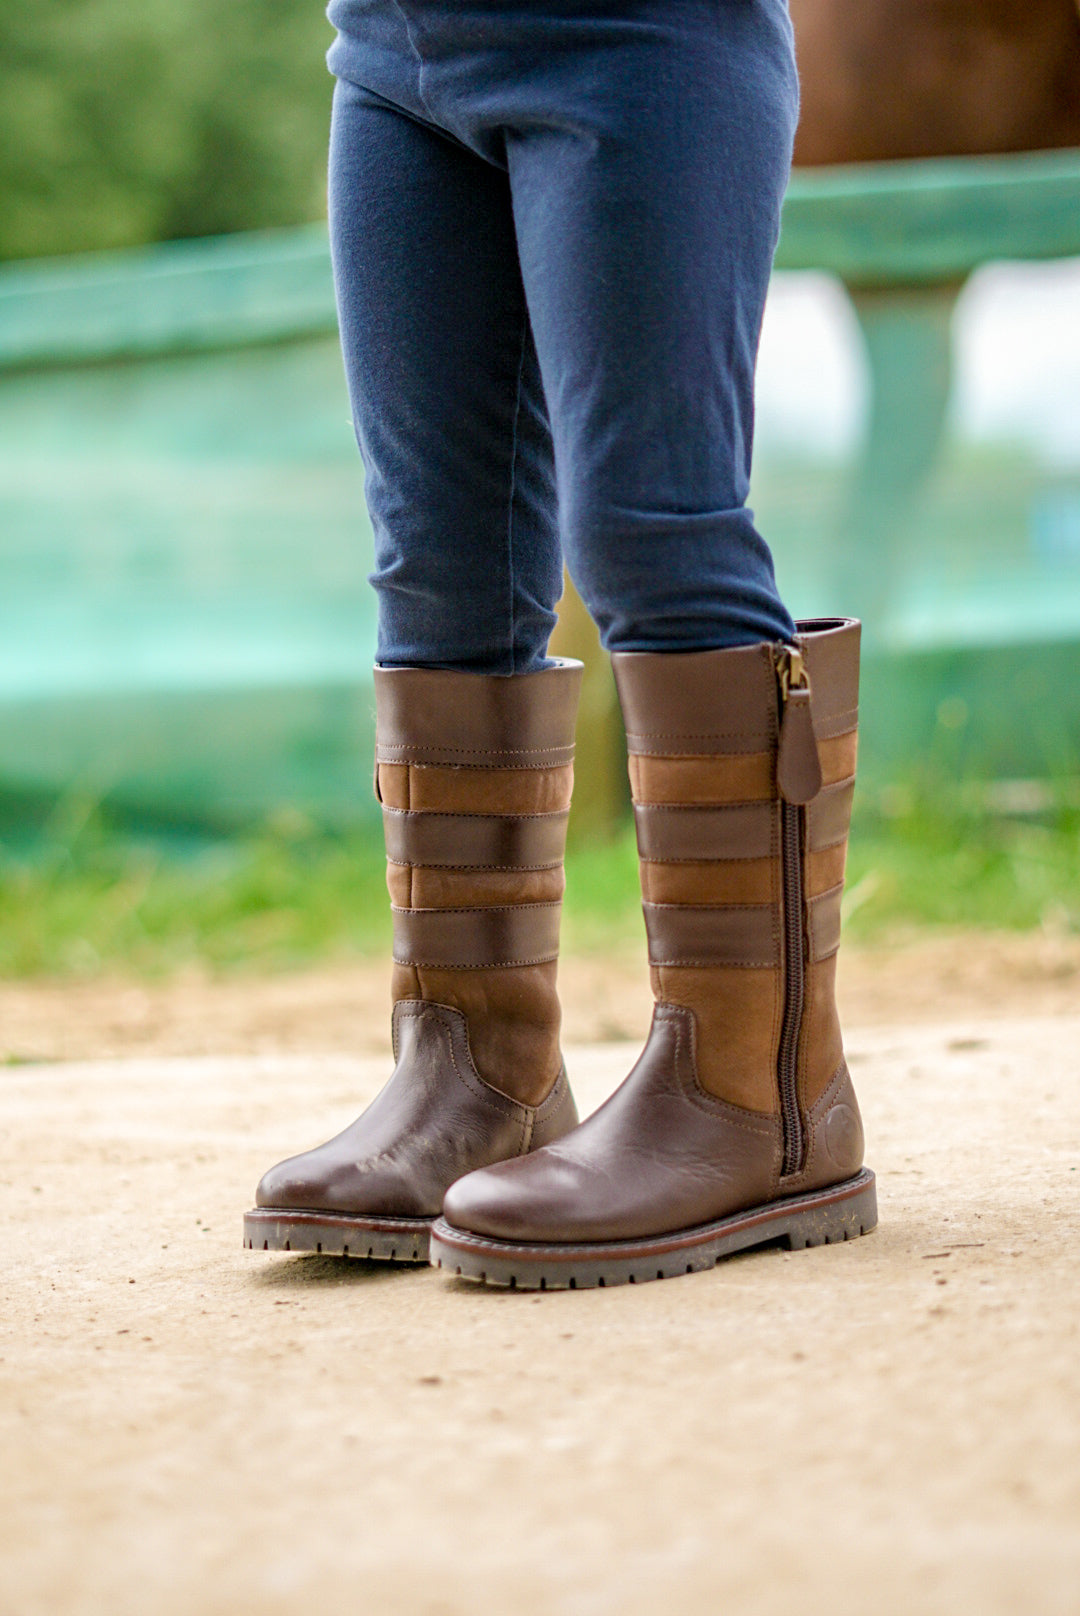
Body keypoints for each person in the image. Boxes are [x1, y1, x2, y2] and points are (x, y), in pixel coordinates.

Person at [244, 0, 876, 1288]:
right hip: (395, 57)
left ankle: (758, 1100)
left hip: (640, 40)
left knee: (654, 529)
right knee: (436, 569)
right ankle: (477, 1076)